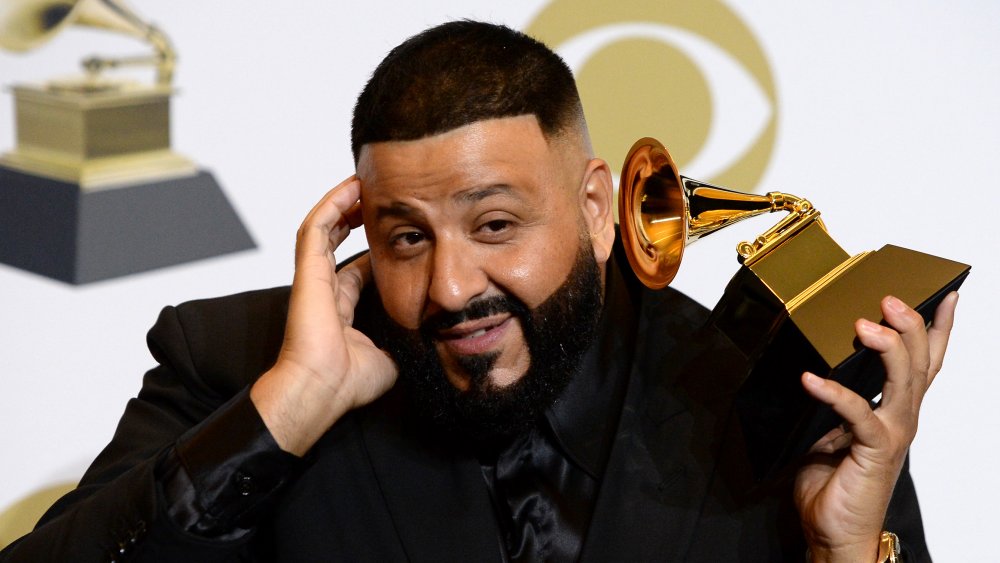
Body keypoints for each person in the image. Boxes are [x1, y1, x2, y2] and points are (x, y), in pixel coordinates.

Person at [0, 20, 956, 562]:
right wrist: (287, 408)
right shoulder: (233, 363)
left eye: (495, 224)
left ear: (594, 207)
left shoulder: (783, 400)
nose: (451, 286)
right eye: (406, 235)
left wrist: (845, 555)